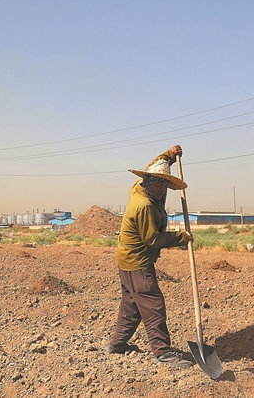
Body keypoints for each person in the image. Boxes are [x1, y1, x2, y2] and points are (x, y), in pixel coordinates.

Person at [107, 145, 194, 369]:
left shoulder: (139, 187)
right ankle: (163, 353)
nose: (163, 190)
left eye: (166, 184)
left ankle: (117, 343)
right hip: (138, 262)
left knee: (132, 306)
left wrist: (170, 155)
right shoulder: (143, 204)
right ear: (149, 182)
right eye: (159, 184)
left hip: (127, 261)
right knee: (153, 304)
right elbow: (153, 239)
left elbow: (153, 167)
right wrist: (181, 238)